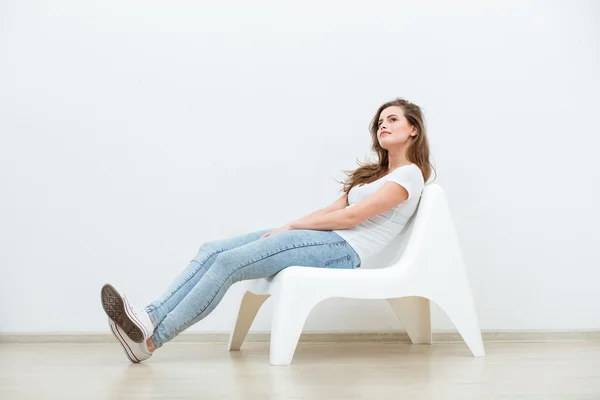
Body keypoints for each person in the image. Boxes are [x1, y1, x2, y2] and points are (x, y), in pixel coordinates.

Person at [100, 97, 436, 363]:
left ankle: (149, 341)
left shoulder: (409, 176)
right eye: (380, 122)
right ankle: (148, 316)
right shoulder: (374, 175)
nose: (383, 125)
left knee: (226, 264)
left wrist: (292, 226)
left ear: (413, 131)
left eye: (393, 120)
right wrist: (287, 227)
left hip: (344, 249)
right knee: (212, 249)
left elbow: (351, 219)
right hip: (324, 239)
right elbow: (332, 210)